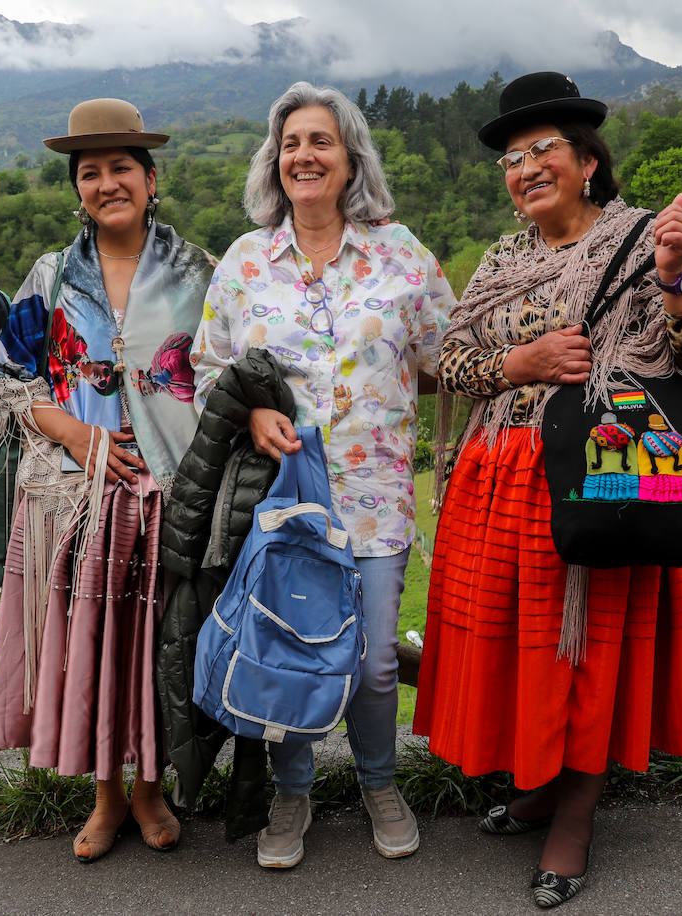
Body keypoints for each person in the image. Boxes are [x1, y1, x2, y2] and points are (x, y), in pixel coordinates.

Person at [412, 71, 682, 909]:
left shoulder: (648, 240)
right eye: (512, 159)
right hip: (505, 481)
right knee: (527, 652)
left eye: (542, 150)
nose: (524, 169)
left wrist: (674, 277)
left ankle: (575, 817)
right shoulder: (503, 261)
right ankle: (539, 784)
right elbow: (450, 361)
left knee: (587, 654)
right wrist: (515, 365)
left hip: (609, 473)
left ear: (588, 160)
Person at [191, 81, 454, 868]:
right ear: (275, 163)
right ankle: (293, 792)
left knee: (375, 662)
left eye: (321, 142)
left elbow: (455, 354)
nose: (304, 155)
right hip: (283, 502)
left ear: (350, 161)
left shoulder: (400, 252)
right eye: (290, 144)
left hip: (375, 498)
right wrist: (247, 414)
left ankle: (379, 782)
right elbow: (208, 369)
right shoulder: (245, 261)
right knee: (289, 651)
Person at [0, 98, 212, 864]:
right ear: (76, 188)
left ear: (152, 179)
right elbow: (13, 378)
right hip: (78, 501)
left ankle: (152, 790)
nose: (107, 182)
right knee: (92, 647)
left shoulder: (198, 272)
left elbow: (222, 376)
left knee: (155, 649)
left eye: (122, 168)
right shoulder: (51, 275)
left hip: (172, 495)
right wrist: (78, 434)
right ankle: (106, 797)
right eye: (91, 172)